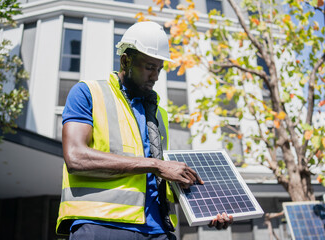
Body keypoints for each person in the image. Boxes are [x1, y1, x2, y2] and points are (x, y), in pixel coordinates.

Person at [56, 21, 233, 240]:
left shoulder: (159, 115)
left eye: (159, 68)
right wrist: (156, 164)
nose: (156, 76)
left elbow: (162, 181)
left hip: (159, 231)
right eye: (149, 67)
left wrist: (210, 207)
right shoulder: (88, 93)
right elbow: (76, 158)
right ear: (125, 60)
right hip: (101, 225)